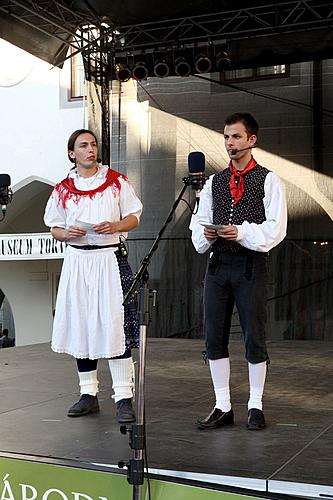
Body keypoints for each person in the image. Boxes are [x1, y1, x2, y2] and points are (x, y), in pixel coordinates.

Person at [190, 112, 287, 431]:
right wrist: (205, 234)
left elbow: (277, 228)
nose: (230, 143)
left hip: (249, 265)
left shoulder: (269, 179)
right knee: (213, 335)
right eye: (226, 137)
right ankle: (222, 405)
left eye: (236, 137)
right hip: (218, 266)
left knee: (253, 335)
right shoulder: (214, 182)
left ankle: (255, 405)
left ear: (251, 140)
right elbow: (199, 219)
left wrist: (241, 232)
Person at [44, 129, 142, 423]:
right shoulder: (63, 188)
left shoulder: (116, 182)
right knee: (82, 324)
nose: (91, 149)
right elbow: (54, 226)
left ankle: (124, 396)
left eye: (93, 144)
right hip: (77, 260)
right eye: (83, 146)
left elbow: (134, 216)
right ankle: (88, 393)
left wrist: (115, 226)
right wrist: (66, 233)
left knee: (113, 325)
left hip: (108, 259)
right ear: (72, 153)